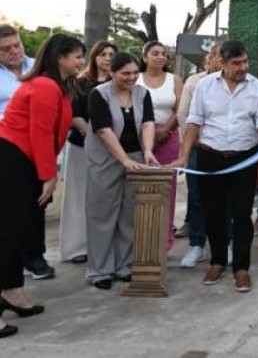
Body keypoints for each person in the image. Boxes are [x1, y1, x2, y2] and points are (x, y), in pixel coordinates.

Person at [170, 40, 258, 293]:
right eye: (236, 63)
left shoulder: (256, 87)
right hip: (211, 158)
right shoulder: (205, 86)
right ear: (222, 62)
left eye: (245, 62)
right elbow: (194, 122)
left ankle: (241, 268)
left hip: (244, 158)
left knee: (242, 214)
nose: (243, 67)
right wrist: (184, 157)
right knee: (214, 212)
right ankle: (218, 262)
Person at [0, 33, 84, 338]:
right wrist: (49, 176)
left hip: (25, 161)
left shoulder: (54, 85)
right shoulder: (45, 87)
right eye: (77, 55)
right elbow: (39, 134)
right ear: (61, 57)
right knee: (8, 233)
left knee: (20, 231)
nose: (80, 61)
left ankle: (12, 291)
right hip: (14, 161)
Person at [85, 52, 158, 290]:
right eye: (125, 73)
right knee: (102, 214)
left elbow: (147, 123)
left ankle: (124, 266)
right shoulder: (99, 94)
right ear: (112, 73)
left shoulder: (142, 93)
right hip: (106, 159)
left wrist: (147, 150)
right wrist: (123, 160)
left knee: (129, 215)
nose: (131, 78)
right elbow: (104, 131)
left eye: (135, 73)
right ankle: (100, 270)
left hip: (135, 157)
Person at [0, 24, 55, 281]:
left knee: (38, 201)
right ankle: (11, 266)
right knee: (10, 208)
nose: (14, 51)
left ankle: (34, 256)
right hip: (7, 148)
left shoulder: (39, 69)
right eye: (6, 49)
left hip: (39, 145)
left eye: (17, 45)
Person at [60, 40, 116, 265]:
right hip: (82, 146)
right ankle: (76, 247)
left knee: (105, 199)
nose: (108, 58)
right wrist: (92, 135)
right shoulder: (81, 83)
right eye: (103, 54)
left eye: (112, 54)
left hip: (112, 149)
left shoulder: (119, 82)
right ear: (94, 57)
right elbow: (73, 114)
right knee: (78, 197)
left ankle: (103, 245)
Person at [175, 42, 223, 268]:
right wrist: (198, 141)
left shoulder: (241, 83)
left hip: (227, 149)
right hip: (198, 148)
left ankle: (227, 243)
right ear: (210, 58)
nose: (223, 62)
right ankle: (197, 245)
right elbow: (184, 116)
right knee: (197, 197)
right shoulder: (194, 82)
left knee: (227, 198)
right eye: (220, 57)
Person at [136, 41, 183, 252]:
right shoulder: (134, 77)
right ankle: (139, 239)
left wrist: (165, 131)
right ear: (145, 56)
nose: (161, 57)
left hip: (168, 135)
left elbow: (180, 109)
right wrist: (147, 134)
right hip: (137, 135)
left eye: (164, 54)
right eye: (155, 53)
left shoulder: (175, 80)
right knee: (138, 186)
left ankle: (164, 240)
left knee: (167, 188)